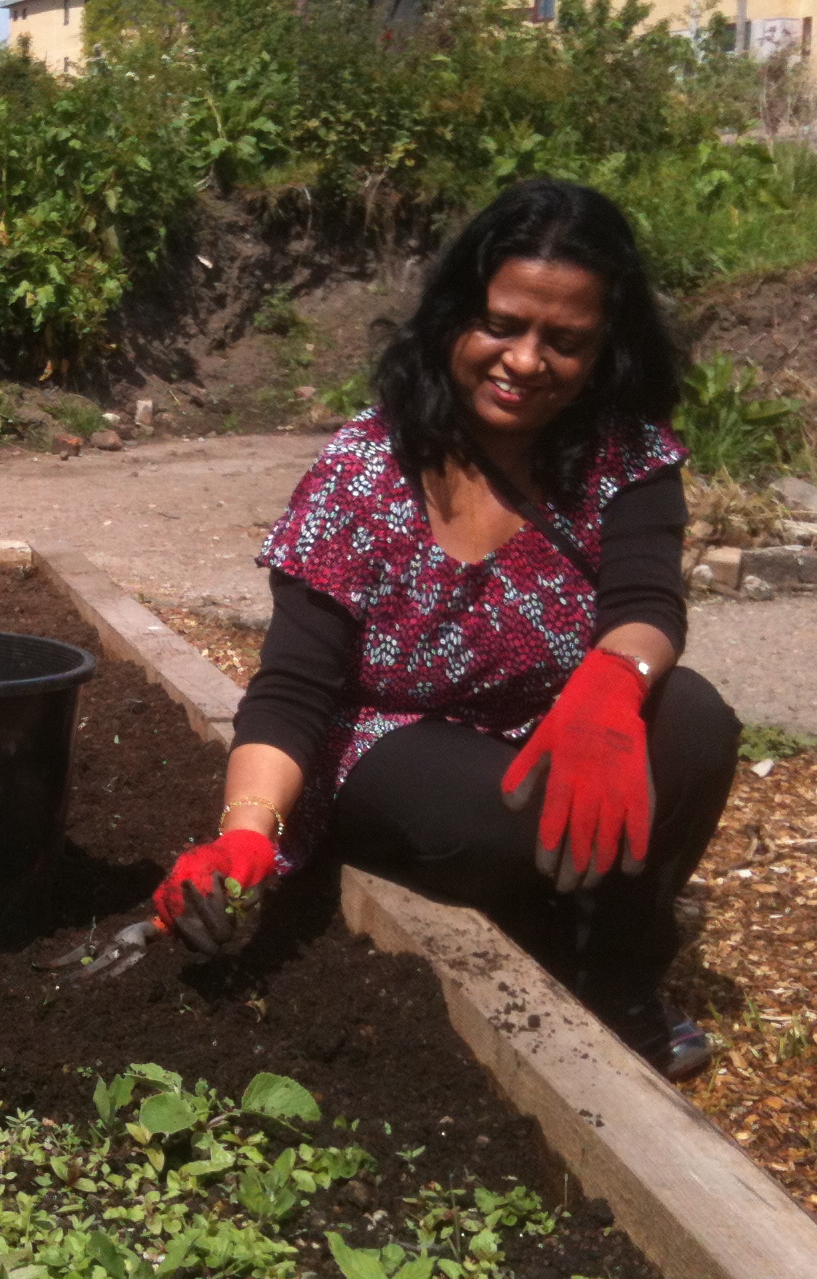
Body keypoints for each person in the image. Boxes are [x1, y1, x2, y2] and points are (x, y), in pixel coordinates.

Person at [153, 179, 738, 1080]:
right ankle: (540, 921)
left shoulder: (622, 452)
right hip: (387, 740)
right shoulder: (365, 471)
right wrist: (246, 832)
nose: (527, 360)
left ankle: (617, 974)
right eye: (503, 325)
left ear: (604, 349)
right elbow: (294, 688)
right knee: (508, 818)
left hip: (549, 719)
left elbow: (648, 605)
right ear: (455, 316)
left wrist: (612, 684)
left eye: (565, 341)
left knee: (693, 723)